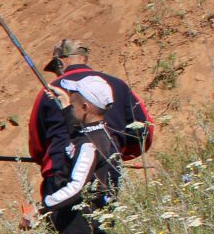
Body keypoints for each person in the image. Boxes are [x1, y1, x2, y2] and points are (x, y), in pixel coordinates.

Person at [25, 38, 152, 210]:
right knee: (101, 231)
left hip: (61, 175)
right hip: (107, 172)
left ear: (60, 61)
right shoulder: (117, 85)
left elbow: (37, 145)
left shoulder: (50, 91)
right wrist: (116, 154)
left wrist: (55, 162)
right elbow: (144, 131)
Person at [25, 75, 121, 234]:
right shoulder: (100, 133)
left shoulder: (90, 145)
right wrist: (66, 105)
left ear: (86, 107)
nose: (72, 101)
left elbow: (76, 187)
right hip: (88, 225)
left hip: (78, 230)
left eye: (75, 99)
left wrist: (40, 207)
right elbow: (76, 133)